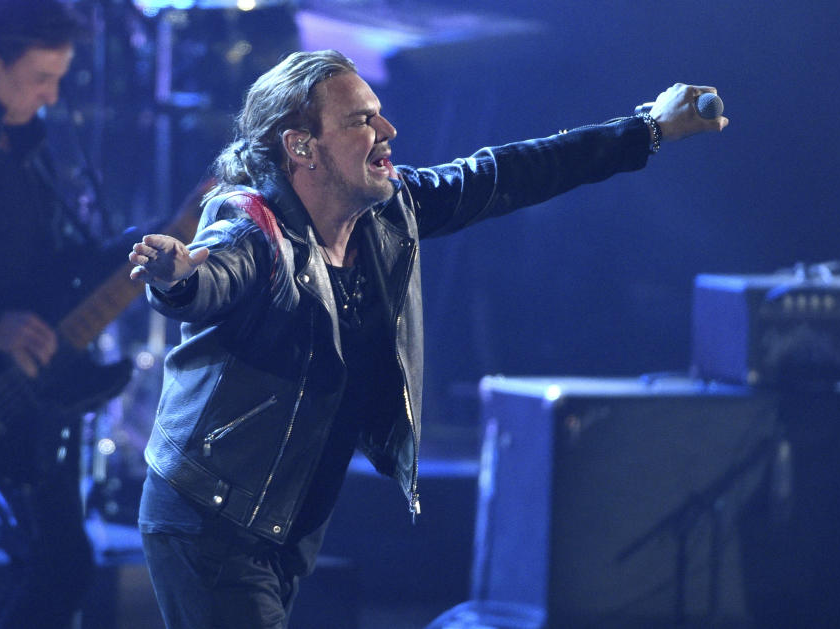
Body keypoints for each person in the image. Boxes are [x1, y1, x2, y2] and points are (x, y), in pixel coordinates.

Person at [128, 49, 728, 628]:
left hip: (288, 519)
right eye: (363, 120)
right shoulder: (252, 225)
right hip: (210, 514)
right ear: (301, 146)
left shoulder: (392, 213)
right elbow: (217, 275)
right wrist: (180, 278)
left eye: (379, 112)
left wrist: (645, 128)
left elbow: (511, 171)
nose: (388, 129)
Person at [0, 1, 124, 626]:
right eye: (42, 77)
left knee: (66, 566)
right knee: (57, 565)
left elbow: (61, 259)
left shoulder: (27, 147)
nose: (52, 96)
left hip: (26, 381)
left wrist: (158, 236)